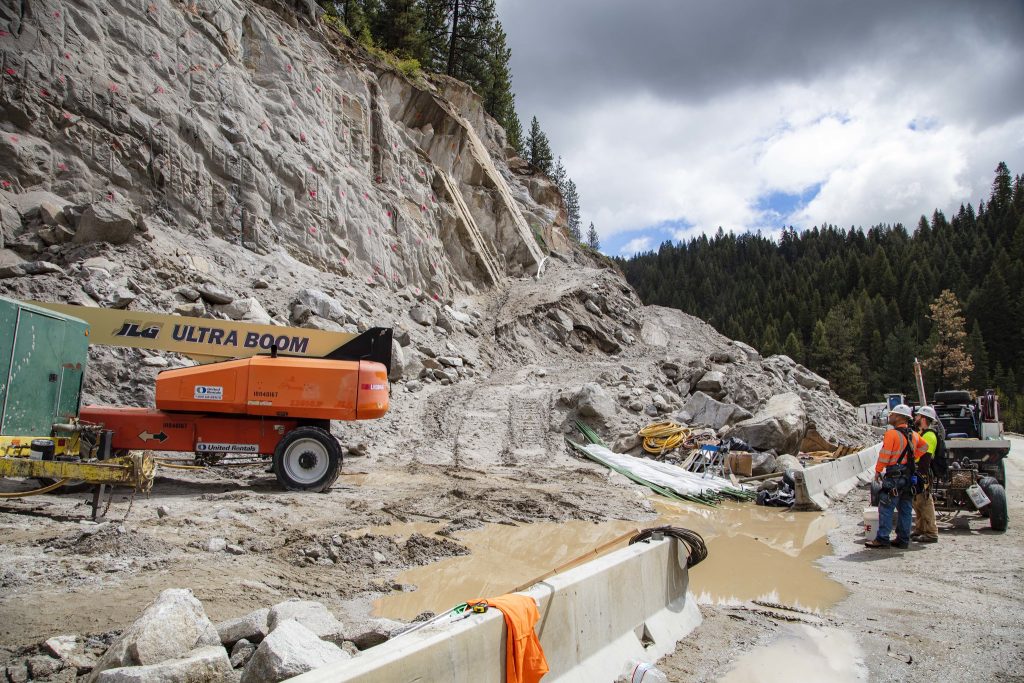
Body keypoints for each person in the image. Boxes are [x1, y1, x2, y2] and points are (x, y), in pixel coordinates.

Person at [866, 403, 927, 549]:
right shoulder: (914, 434)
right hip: (908, 475)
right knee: (905, 508)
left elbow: (885, 454)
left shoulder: (891, 434)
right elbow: (925, 447)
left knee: (886, 507)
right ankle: (903, 539)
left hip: (894, 475)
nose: (890, 416)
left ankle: (882, 538)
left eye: (892, 414)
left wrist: (878, 470)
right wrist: (913, 458)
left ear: (899, 417)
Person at [911, 406, 941, 543]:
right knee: (918, 502)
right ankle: (920, 529)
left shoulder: (929, 435)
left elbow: (925, 458)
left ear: (923, 418)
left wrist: (920, 475)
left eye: (917, 416)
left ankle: (931, 532)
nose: (915, 418)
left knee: (925, 501)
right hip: (920, 471)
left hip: (923, 472)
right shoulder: (923, 433)